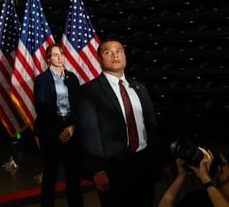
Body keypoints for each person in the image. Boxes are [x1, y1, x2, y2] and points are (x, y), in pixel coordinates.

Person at [77, 39, 161, 207]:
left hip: (144, 164)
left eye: (119, 51)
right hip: (113, 168)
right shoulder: (89, 91)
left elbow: (151, 126)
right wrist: (98, 170)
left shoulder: (140, 88)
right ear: (99, 59)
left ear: (125, 57)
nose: (115, 55)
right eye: (108, 52)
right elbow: (89, 133)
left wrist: (159, 161)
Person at [33, 44, 83, 207]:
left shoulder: (72, 78)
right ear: (48, 59)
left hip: (72, 129)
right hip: (51, 132)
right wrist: (59, 132)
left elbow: (79, 105)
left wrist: (72, 127)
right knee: (50, 177)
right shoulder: (42, 80)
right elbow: (42, 108)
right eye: (55, 55)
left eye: (61, 54)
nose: (60, 57)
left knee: (74, 176)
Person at [158, 146, 229, 207]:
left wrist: (206, 180)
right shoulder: (198, 198)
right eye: (216, 164)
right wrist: (181, 176)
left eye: (222, 164)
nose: (218, 168)